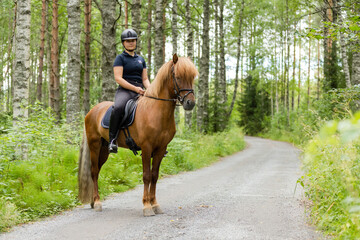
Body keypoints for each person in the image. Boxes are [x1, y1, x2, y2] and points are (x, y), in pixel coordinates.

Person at [108, 29, 151, 153]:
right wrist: (134, 88)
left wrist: (151, 90)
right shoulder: (120, 58)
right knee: (118, 108)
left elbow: (145, 79)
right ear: (123, 43)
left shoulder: (141, 59)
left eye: (133, 41)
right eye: (128, 41)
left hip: (140, 90)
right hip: (125, 90)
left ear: (136, 42)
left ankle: (154, 140)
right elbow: (118, 78)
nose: (131, 43)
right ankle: (112, 140)